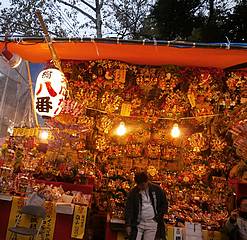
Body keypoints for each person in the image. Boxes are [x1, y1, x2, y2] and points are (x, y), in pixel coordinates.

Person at [125, 171, 168, 240]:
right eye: (139, 185)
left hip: (152, 223)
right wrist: (128, 224)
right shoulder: (133, 192)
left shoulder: (157, 189)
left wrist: (159, 217)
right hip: (137, 223)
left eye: (142, 185)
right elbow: (129, 208)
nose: (140, 187)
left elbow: (164, 204)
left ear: (147, 181)